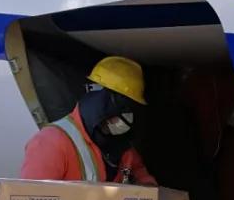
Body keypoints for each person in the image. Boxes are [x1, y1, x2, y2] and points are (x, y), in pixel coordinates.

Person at [20, 56, 156, 184]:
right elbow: (32, 198)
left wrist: (148, 188)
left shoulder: (121, 146)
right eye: (122, 107)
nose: (126, 117)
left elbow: (141, 175)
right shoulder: (51, 142)